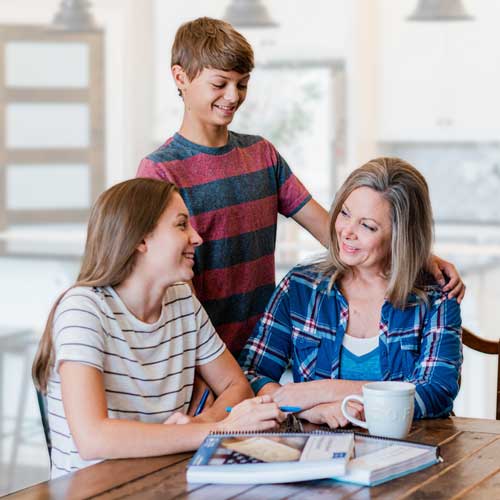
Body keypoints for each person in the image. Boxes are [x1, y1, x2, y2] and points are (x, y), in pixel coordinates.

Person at [137, 17, 464, 361]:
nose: (233, 97)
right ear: (180, 77)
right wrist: (206, 367)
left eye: (242, 84)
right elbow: (170, 280)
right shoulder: (160, 170)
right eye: (220, 84)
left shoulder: (261, 155)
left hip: (265, 349)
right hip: (201, 355)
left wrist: (420, 256)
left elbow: (331, 232)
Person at [32, 178, 285, 478]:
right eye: (181, 225)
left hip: (161, 481)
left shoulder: (181, 300)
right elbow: (93, 438)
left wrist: (204, 422)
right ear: (141, 239)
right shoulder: (83, 309)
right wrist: (219, 428)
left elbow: (235, 386)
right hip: (93, 490)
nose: (197, 238)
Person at [239, 157, 463, 428]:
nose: (347, 232)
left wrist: (323, 391)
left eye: (367, 226)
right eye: (345, 214)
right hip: (318, 452)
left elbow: (436, 393)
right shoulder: (300, 287)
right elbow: (250, 373)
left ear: (401, 236)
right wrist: (303, 410)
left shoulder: (436, 298)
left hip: (412, 451)